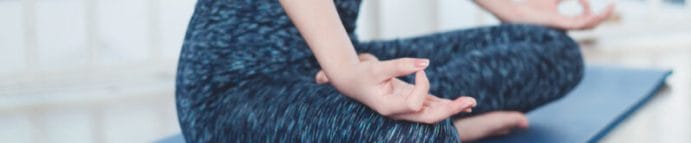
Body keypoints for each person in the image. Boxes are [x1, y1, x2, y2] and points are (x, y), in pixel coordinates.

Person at [175, 0, 614, 142]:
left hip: (342, 63)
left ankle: (441, 110)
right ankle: (454, 125)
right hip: (235, 91)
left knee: (552, 50)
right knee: (417, 133)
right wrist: (346, 69)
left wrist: (529, 11)